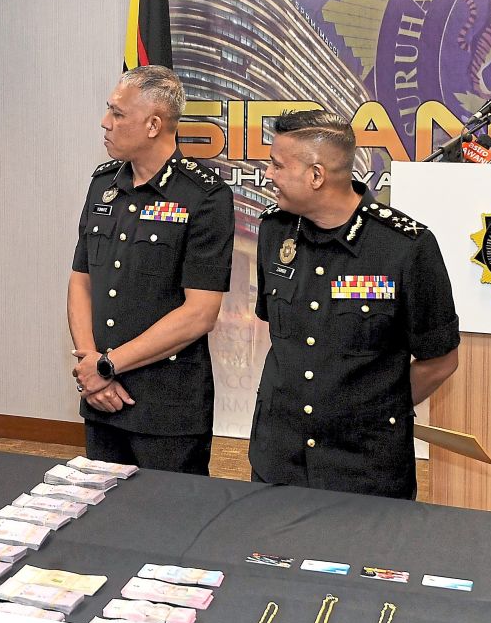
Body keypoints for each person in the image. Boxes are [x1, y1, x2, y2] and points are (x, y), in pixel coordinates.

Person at [250, 110, 459, 498]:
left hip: (366, 467)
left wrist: (371, 410)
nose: (267, 174)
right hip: (278, 457)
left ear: (316, 175)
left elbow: (441, 359)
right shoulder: (274, 231)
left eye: (277, 165)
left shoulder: (405, 246)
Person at [67, 65, 234, 474]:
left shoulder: (205, 196)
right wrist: (92, 367)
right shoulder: (102, 184)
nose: (105, 123)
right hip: (101, 398)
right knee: (102, 518)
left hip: (168, 408)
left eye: (118, 114)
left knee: (171, 525)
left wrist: (109, 365)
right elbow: (80, 281)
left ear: (154, 124)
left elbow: (200, 313)